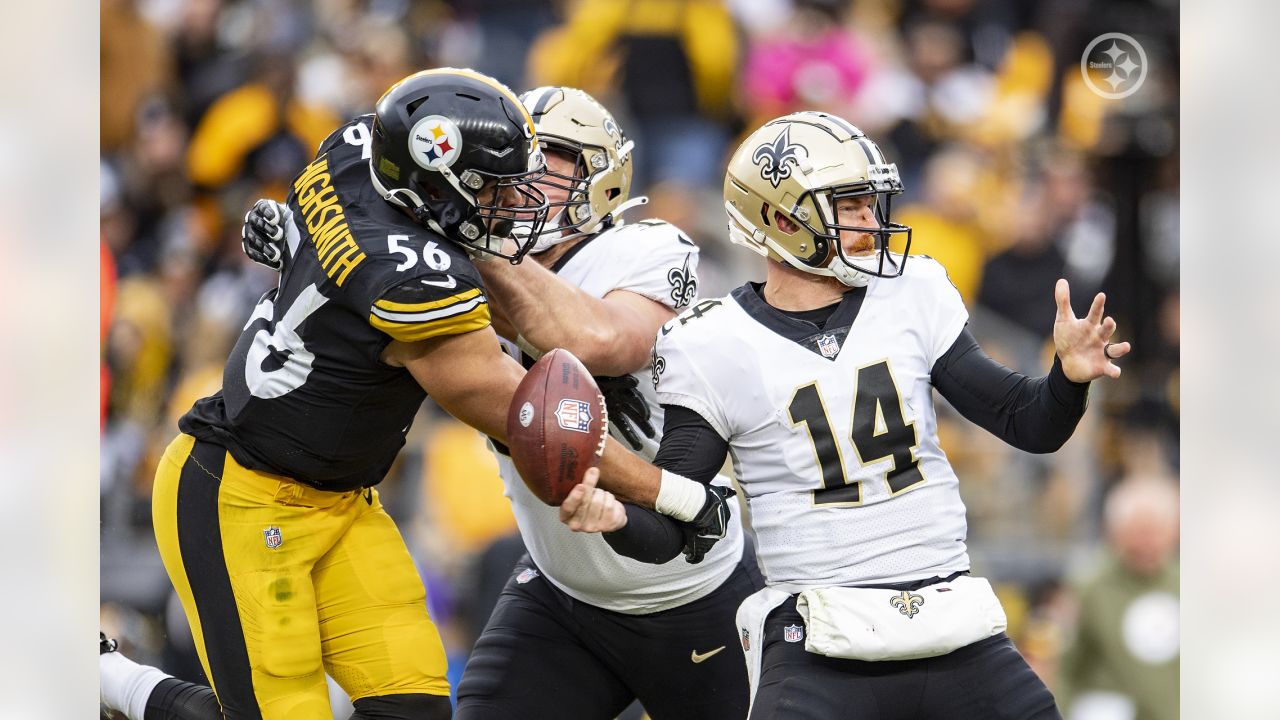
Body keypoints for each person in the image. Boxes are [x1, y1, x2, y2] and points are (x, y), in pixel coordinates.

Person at [560, 111, 1131, 719]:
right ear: (781, 220)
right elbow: (681, 524)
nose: (872, 221)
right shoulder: (710, 343)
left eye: (871, 203)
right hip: (820, 637)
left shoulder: (911, 290)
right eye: (851, 206)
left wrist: (1067, 379)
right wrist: (615, 517)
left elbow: (1028, 423)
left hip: (948, 617)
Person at [103, 67, 554, 720]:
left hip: (340, 501)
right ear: (436, 176)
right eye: (491, 187)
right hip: (240, 494)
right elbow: (528, 415)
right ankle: (108, 676)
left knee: (416, 710)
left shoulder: (355, 153)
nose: (507, 206)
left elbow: (327, 245)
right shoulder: (409, 277)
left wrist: (288, 237)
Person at [450, 86, 761, 720]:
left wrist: (476, 242)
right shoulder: (455, 258)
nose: (525, 171)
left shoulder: (645, 248)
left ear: (604, 180)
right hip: (561, 592)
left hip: (689, 589)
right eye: (512, 155)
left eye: (551, 157)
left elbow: (600, 340)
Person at [1057, 476, 1179, 720]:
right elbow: (1065, 666)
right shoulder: (1090, 586)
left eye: (1156, 531)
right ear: (1115, 533)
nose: (1148, 543)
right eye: (1138, 532)